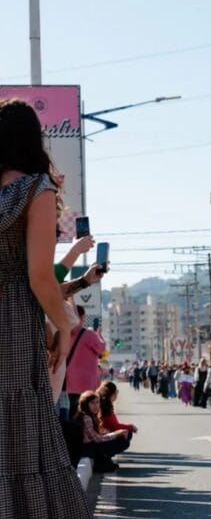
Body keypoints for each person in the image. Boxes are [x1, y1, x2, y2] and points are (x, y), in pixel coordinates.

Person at [0, 98, 91, 517]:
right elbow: (40, 275)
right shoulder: (36, 188)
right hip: (13, 321)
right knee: (19, 426)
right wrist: (63, 326)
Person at [64, 305, 107, 419]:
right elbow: (101, 348)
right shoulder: (89, 335)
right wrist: (98, 334)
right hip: (87, 384)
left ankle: (74, 435)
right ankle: (86, 435)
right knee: (89, 414)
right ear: (82, 317)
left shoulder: (64, 334)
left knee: (73, 412)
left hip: (70, 382)